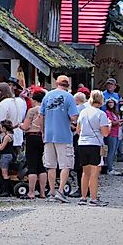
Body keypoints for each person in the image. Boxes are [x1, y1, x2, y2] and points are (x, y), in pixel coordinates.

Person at [40, 75, 79, 203]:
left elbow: (41, 116)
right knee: (65, 165)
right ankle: (61, 191)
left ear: (56, 83)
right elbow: (73, 117)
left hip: (49, 135)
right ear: (68, 85)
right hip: (63, 135)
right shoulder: (69, 97)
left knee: (50, 165)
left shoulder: (47, 96)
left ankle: (51, 192)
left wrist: (43, 131)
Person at [76, 89, 111, 206]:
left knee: (85, 172)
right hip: (95, 143)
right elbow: (105, 133)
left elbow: (78, 130)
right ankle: (94, 198)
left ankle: (83, 196)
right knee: (95, 172)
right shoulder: (101, 114)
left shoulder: (83, 112)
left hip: (82, 143)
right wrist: (109, 125)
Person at [19, 89, 47, 199]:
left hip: (32, 136)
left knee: (32, 165)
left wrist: (19, 125)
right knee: (41, 165)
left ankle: (31, 192)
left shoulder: (32, 111)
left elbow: (26, 126)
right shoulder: (46, 110)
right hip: (43, 137)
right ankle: (43, 192)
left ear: (34, 99)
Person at [70, 91, 88, 197]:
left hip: (79, 138)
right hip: (91, 140)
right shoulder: (90, 110)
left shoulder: (77, 109)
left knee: (79, 165)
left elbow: (76, 126)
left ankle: (81, 189)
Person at [103, 98, 121, 175]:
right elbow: (110, 122)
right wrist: (118, 122)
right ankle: (109, 168)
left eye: (112, 102)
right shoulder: (107, 112)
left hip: (116, 133)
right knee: (111, 151)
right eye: (109, 102)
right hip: (111, 133)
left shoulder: (115, 112)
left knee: (113, 151)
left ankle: (110, 166)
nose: (110, 104)